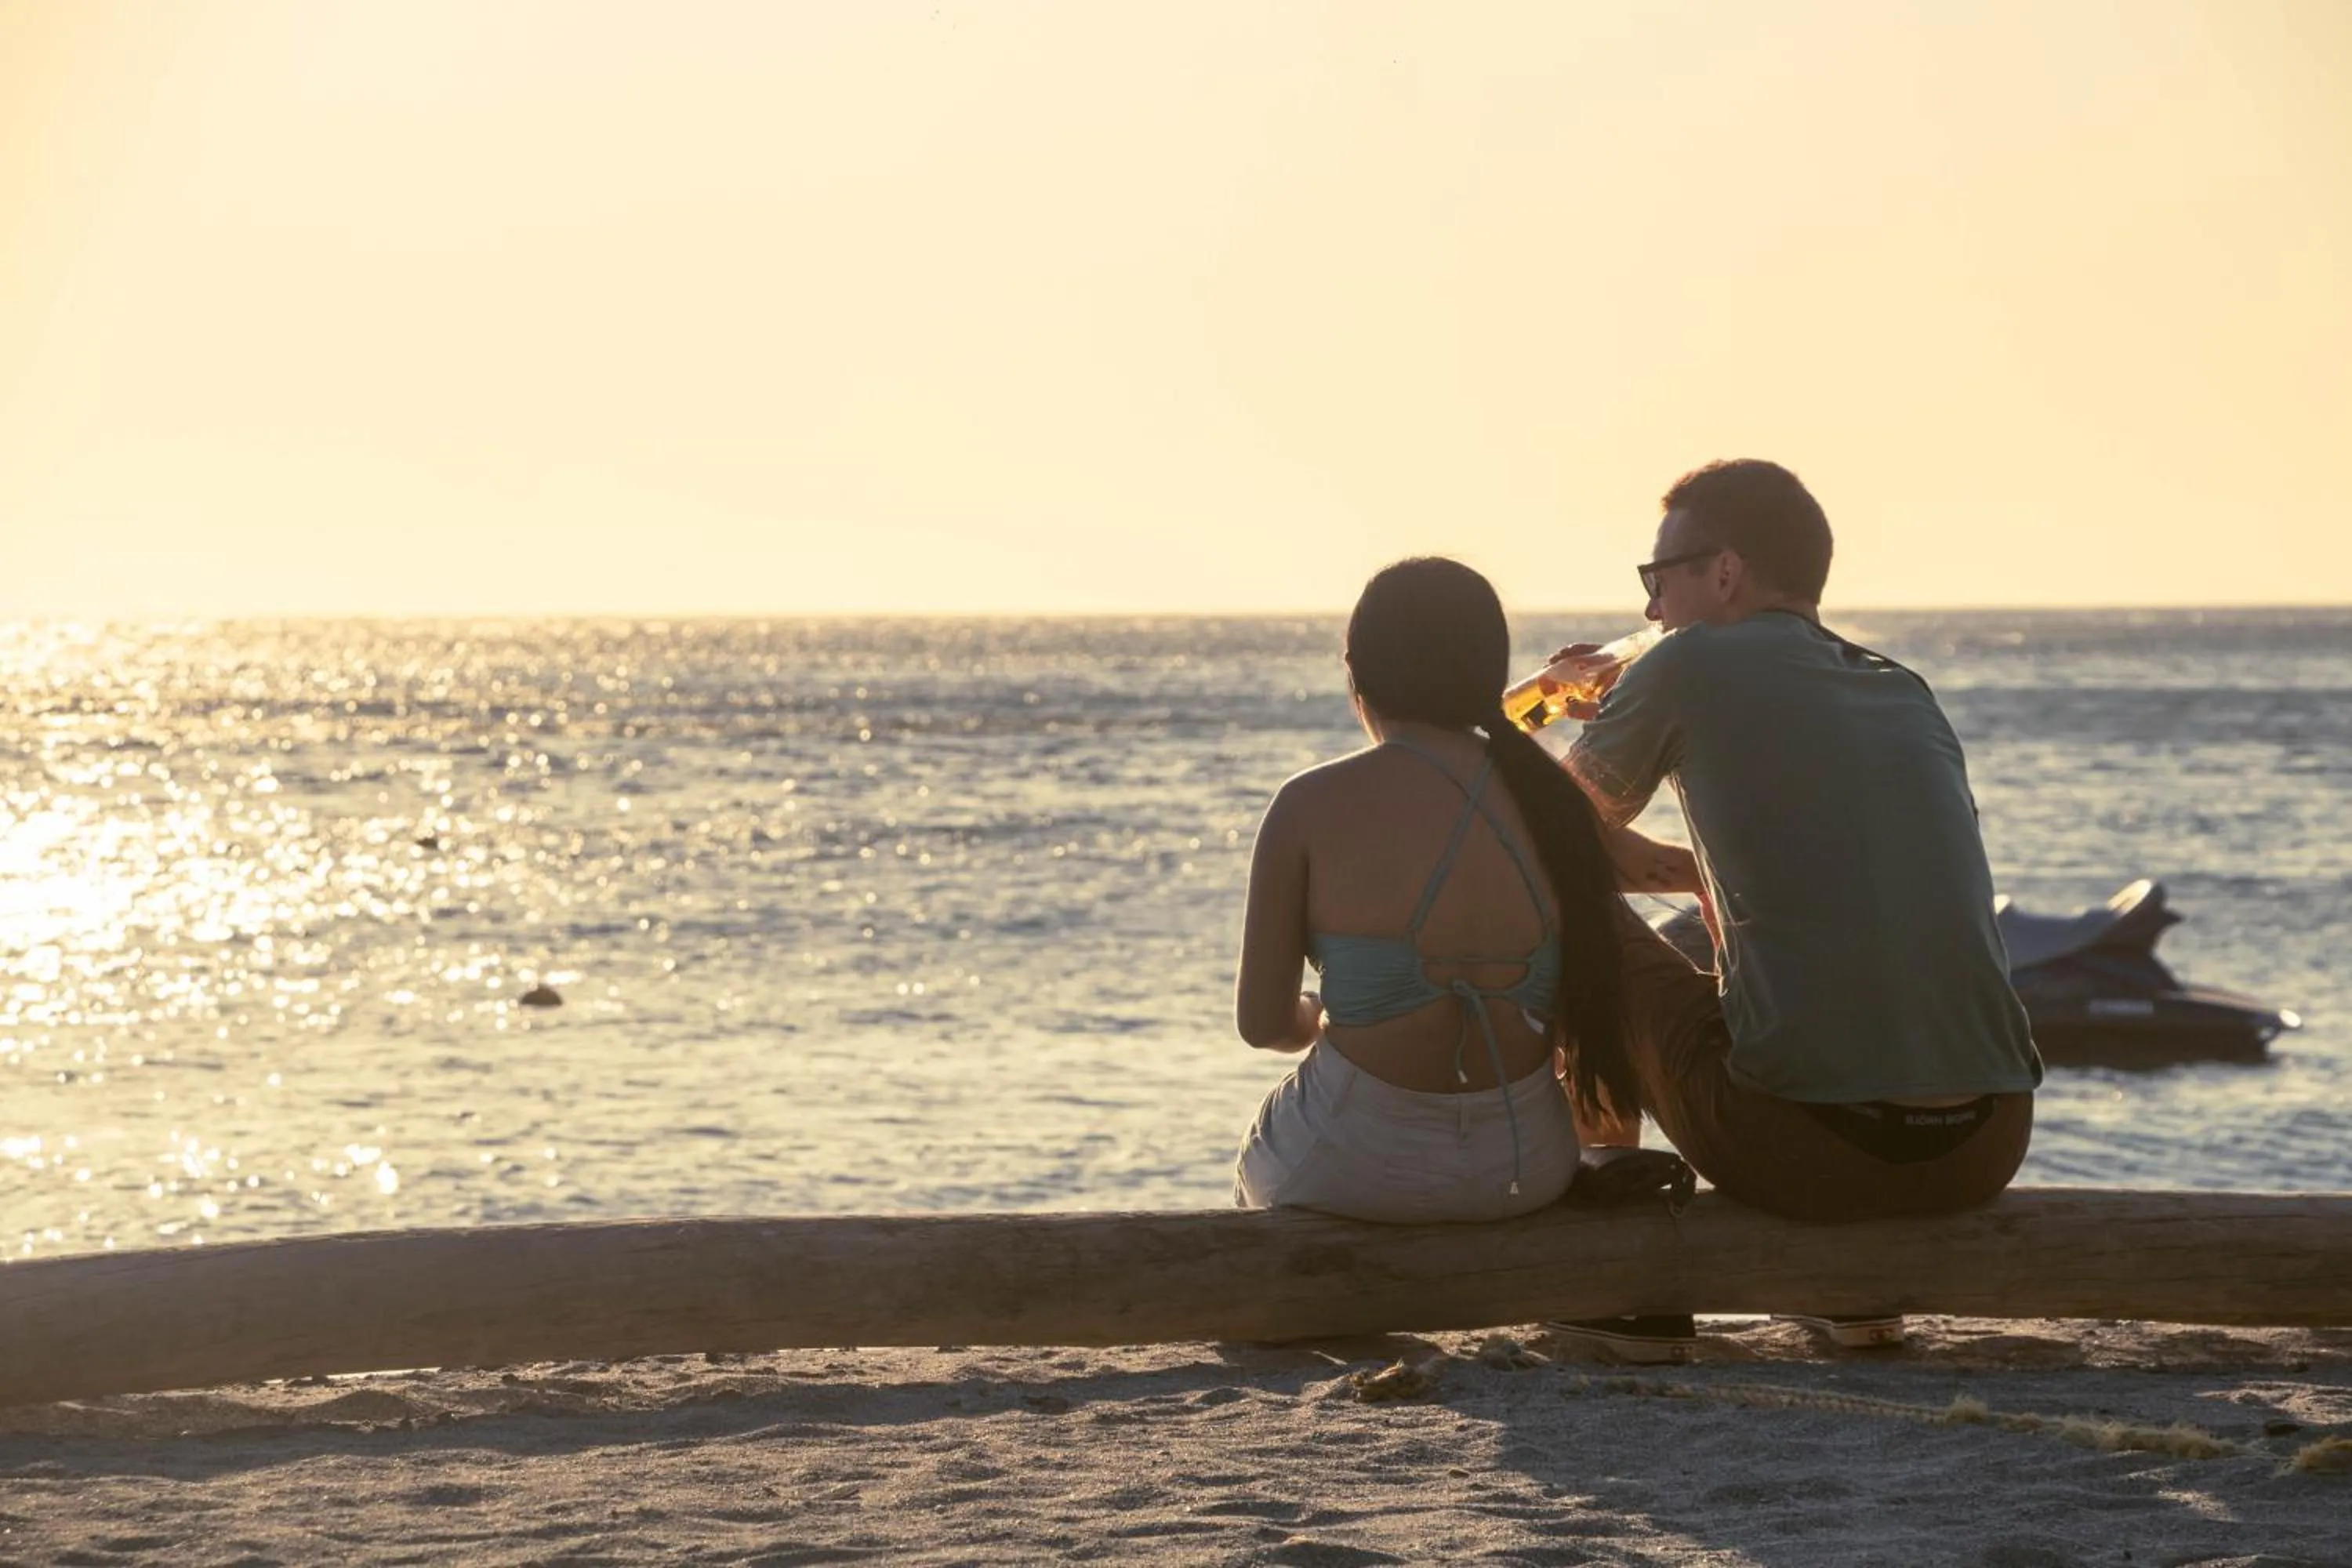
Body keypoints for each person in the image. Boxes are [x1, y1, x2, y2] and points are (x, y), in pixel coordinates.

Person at [1557, 458, 2044, 1352]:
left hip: (1816, 1154)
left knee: (1572, 916)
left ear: (1726, 572)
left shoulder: (1684, 663)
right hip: (1984, 1145)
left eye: (1658, 578)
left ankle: (1616, 1279)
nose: (1651, 610)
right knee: (1726, 944)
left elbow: (1541, 841)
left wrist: (1545, 730)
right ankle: (1850, 1292)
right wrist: (1694, 871)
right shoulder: (1900, 686)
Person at [1231, 557, 1642, 1225]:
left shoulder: (1309, 803)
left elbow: (1264, 1027)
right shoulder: (1554, 802)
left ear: (1355, 670)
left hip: (1351, 1167)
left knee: (1263, 1162)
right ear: (1490, 674)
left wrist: (1324, 1010)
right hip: (1526, 1166)